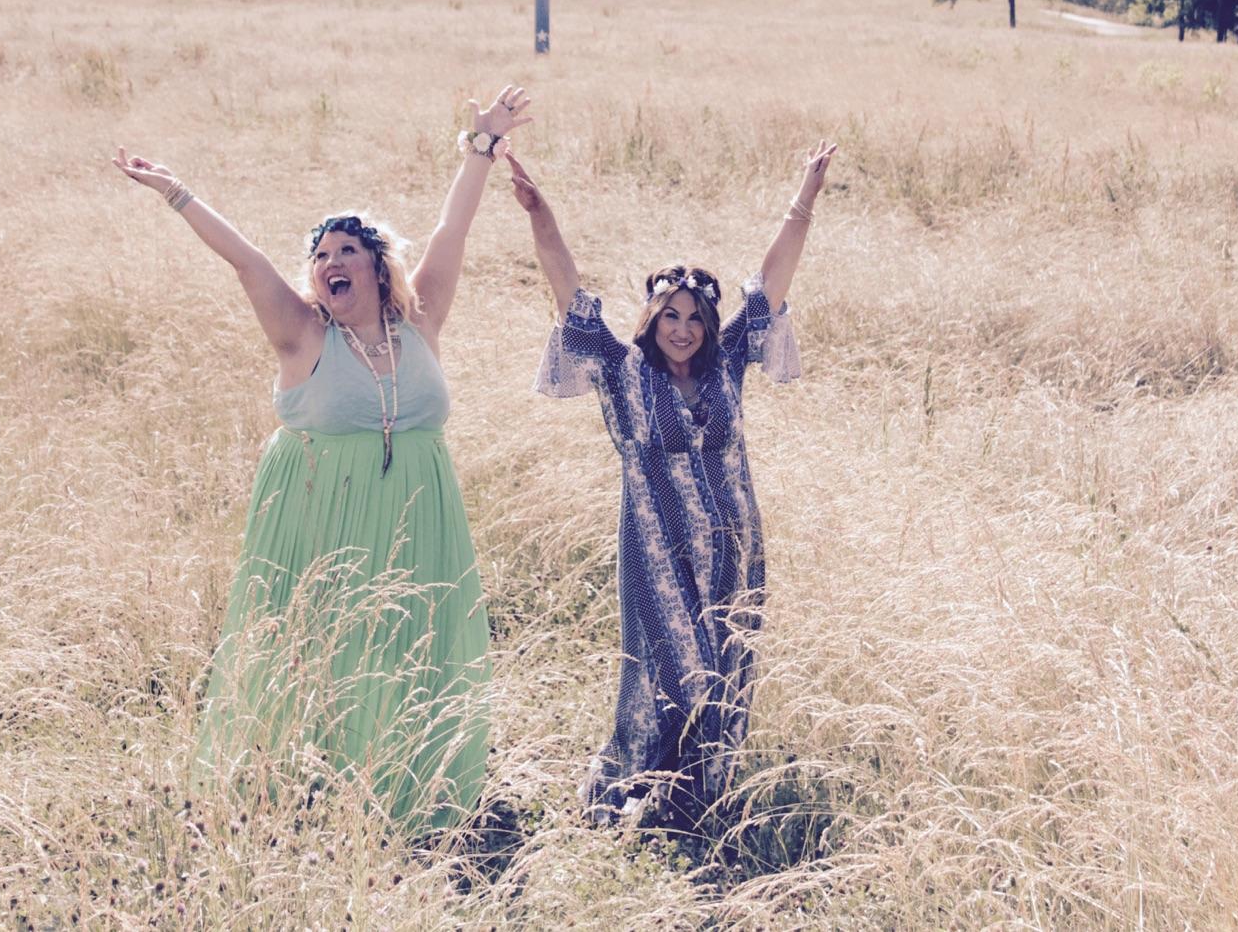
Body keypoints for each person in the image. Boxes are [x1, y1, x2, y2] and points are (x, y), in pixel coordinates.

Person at [110, 85, 533, 830]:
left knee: (408, 642)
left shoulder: (420, 321)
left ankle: (407, 780)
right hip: (319, 516)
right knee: (323, 647)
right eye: (320, 256)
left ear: (377, 266)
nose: (329, 263)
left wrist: (482, 146)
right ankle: (299, 787)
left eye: (346, 252)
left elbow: (451, 229)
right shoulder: (304, 335)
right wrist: (176, 192)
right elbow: (246, 262)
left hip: (418, 515)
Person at [506, 140, 837, 831]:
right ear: (651, 318)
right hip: (655, 549)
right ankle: (629, 789)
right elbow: (567, 289)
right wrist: (540, 214)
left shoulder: (727, 364)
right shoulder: (623, 368)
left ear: (708, 324)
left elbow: (772, 278)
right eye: (669, 316)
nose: (681, 330)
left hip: (734, 546)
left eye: (693, 318)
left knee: (728, 669)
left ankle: (696, 801)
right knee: (673, 672)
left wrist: (806, 196)